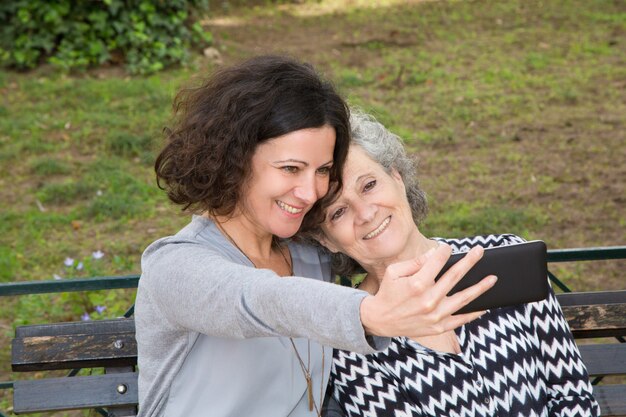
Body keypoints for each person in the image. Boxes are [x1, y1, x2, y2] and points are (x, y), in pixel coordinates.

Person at [134, 56, 497, 417]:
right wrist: (370, 314)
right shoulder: (174, 265)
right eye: (291, 168)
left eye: (322, 170)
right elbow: (258, 299)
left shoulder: (310, 255)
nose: (310, 193)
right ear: (233, 159)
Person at [307, 110, 600, 417]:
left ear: (396, 177)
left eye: (368, 186)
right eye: (338, 212)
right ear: (325, 238)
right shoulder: (350, 340)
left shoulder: (504, 257)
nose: (365, 213)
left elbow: (573, 395)